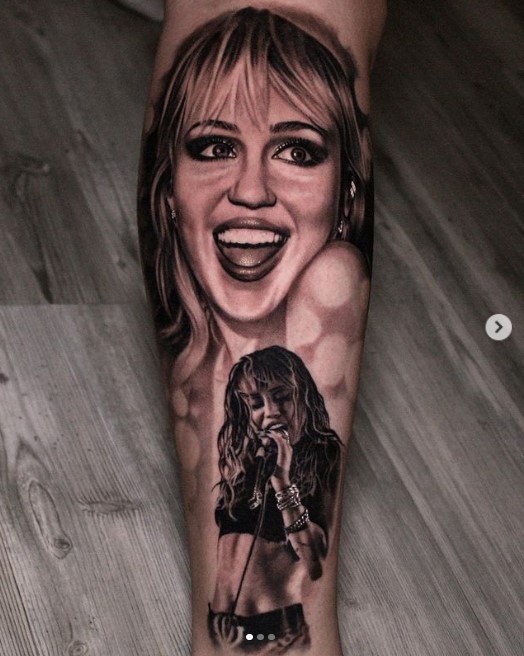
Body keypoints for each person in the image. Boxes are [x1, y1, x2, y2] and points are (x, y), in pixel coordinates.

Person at [138, 2, 386, 654]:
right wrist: (221, 616)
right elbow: (233, 543)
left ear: (346, 194)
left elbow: (308, 551)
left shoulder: (308, 448)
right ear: (169, 191)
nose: (251, 190)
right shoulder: (238, 436)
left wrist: (281, 480)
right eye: (215, 147)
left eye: (298, 150)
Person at [209, 346, 341, 651]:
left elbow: (315, 561)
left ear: (302, 395)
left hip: (272, 633)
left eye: (282, 397)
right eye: (256, 403)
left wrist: (282, 480)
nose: (271, 412)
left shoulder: (322, 452)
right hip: (220, 625)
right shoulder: (246, 459)